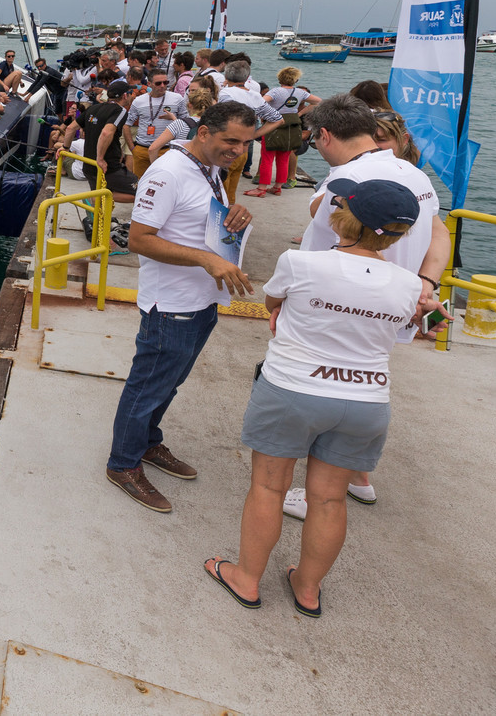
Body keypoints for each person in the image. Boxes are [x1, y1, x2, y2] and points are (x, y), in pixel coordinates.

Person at [204, 179, 431, 615]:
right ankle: (308, 590)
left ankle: (246, 579)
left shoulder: (301, 262)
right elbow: (398, 329)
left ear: (344, 217)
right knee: (327, 499)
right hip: (366, 400)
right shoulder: (409, 286)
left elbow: (273, 303)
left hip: (294, 388)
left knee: (269, 487)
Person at [284, 94, 450, 514]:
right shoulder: (415, 175)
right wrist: (425, 288)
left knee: (316, 392)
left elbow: (323, 227)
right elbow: (439, 234)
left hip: (333, 306)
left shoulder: (345, 179)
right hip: (393, 306)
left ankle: (312, 489)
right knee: (364, 383)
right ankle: (357, 475)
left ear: (324, 135)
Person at [106, 100, 259, 512]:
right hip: (171, 303)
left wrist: (234, 213)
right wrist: (207, 260)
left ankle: (147, 443)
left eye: (245, 143)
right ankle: (123, 464)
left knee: (168, 383)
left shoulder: (210, 168)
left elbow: (198, 220)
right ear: (204, 132)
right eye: (231, 140)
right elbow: (140, 239)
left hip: (203, 298)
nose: (238, 150)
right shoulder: (168, 172)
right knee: (149, 384)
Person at [214, 61, 284, 202]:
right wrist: (251, 136)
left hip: (227, 147)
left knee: (221, 187)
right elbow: (278, 119)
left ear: (226, 76)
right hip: (243, 148)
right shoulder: (255, 96)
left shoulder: (226, 93)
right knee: (232, 185)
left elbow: (223, 116)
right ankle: (230, 208)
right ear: (246, 78)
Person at [245, 66, 312, 197]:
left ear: (280, 78)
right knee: (283, 159)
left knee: (267, 159)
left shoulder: (275, 92)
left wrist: (265, 114)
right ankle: (277, 187)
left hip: (274, 126)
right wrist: (299, 113)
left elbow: (260, 102)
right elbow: (319, 102)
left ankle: (262, 188)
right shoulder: (300, 93)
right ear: (295, 80)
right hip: (291, 128)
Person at [123, 71, 186, 179]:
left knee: (165, 182)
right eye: (158, 83)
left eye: (165, 82)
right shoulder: (139, 101)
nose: (162, 86)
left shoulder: (177, 99)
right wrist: (133, 148)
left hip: (166, 150)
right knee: (140, 183)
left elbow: (185, 122)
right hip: (142, 150)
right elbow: (126, 124)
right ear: (149, 84)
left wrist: (173, 119)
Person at [148, 84, 216, 160]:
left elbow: (152, 149)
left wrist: (156, 167)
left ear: (190, 105)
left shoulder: (179, 124)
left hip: (182, 166)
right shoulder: (215, 125)